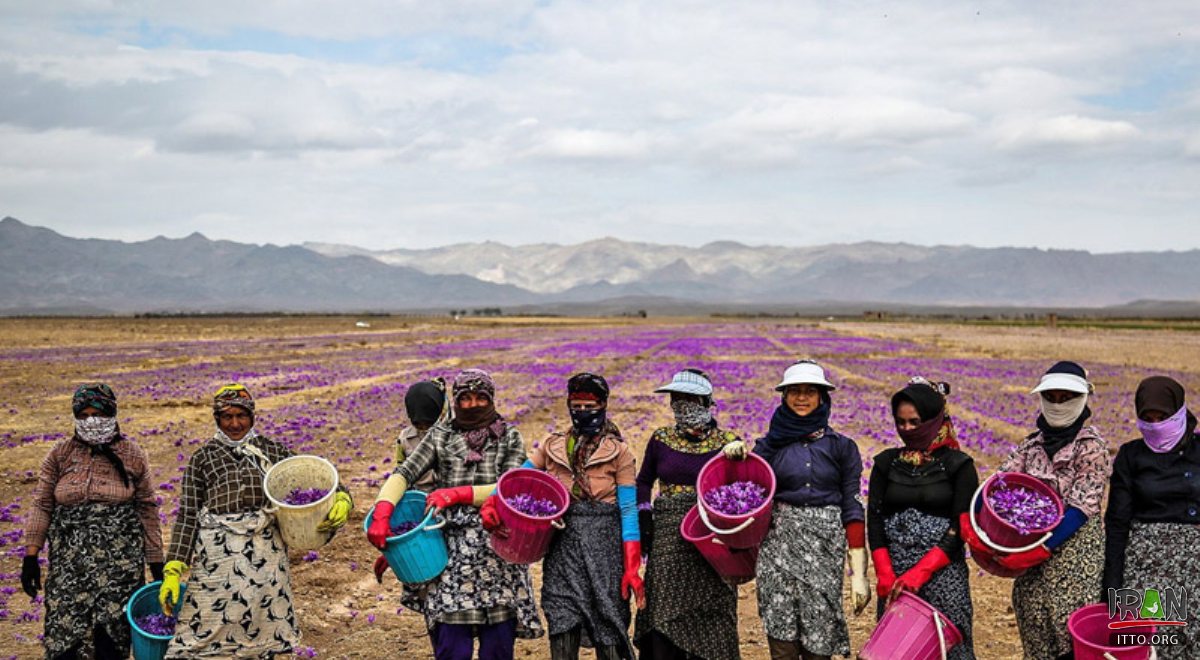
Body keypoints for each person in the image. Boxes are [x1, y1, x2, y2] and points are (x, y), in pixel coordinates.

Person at [158, 383, 353, 659]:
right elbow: (188, 513)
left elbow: (314, 477)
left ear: (252, 417)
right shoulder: (202, 458)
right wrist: (174, 567)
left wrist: (342, 497)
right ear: (217, 418)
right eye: (227, 416)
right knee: (202, 627)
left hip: (264, 554)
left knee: (264, 625)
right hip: (217, 557)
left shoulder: (271, 451)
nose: (235, 423)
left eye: (241, 415)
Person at [367, 368, 543, 660]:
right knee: (452, 642)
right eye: (465, 399)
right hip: (450, 548)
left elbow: (513, 485)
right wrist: (383, 511)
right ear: (456, 400)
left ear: (491, 399)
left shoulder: (508, 436)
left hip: (497, 543)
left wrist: (459, 494)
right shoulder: (441, 435)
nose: (473, 405)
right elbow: (405, 473)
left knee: (497, 643)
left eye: (480, 397)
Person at [487, 372, 642, 659]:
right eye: (576, 406)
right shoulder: (553, 445)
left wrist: (632, 567)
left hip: (605, 553)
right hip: (563, 549)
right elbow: (517, 479)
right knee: (562, 616)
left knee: (608, 623)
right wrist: (492, 503)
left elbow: (629, 511)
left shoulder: (619, 452)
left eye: (590, 406)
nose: (582, 412)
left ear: (604, 405)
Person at [963, 361, 1111, 660]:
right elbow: (997, 485)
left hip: (1074, 554)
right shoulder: (1031, 445)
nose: (1058, 404)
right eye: (1051, 397)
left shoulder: (1091, 448)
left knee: (1070, 635)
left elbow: (1081, 507)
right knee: (1035, 627)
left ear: (1082, 399)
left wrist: (1042, 548)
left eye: (1066, 398)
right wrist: (974, 523)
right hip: (1028, 547)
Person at [724, 359, 866, 660]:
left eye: (810, 391)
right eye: (794, 391)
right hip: (778, 546)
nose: (802, 398)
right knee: (781, 623)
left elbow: (852, 507)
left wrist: (859, 575)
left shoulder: (842, 447)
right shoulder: (768, 447)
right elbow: (745, 493)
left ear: (822, 397)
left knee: (820, 626)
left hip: (824, 550)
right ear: (784, 396)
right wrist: (736, 462)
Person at [22, 383, 164, 660]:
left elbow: (147, 509)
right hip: (69, 567)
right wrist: (31, 556)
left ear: (111, 413)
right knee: (65, 638)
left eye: (97, 414)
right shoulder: (60, 454)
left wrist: (156, 564)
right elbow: (42, 504)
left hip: (119, 566)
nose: (91, 421)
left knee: (110, 641)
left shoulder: (133, 454)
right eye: (83, 415)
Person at [633, 368, 744, 660]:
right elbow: (644, 482)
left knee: (714, 605)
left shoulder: (728, 443)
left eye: (691, 399)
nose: (683, 406)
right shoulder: (661, 439)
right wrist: (644, 515)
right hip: (668, 537)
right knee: (663, 610)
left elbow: (741, 490)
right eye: (677, 399)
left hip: (710, 535)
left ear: (707, 403)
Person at [868, 378, 978, 659]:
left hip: (943, 575)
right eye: (901, 422)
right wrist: (884, 572)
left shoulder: (959, 466)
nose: (907, 429)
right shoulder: (886, 463)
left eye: (915, 422)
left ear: (933, 419)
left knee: (948, 648)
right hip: (895, 579)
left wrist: (921, 572)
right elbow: (875, 521)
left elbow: (959, 528)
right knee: (897, 649)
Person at [1103, 376, 1200, 659]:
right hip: (1147, 561)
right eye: (1148, 419)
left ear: (1179, 412)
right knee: (1153, 639)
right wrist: (1111, 586)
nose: (1156, 425)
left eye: (1163, 418)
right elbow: (1117, 522)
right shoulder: (1131, 455)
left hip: (1194, 559)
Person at [397, 378, 450, 492]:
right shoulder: (404, 439)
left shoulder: (453, 434)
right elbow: (400, 470)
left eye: (429, 423)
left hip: (448, 494)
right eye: (417, 424)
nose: (424, 427)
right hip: (419, 494)